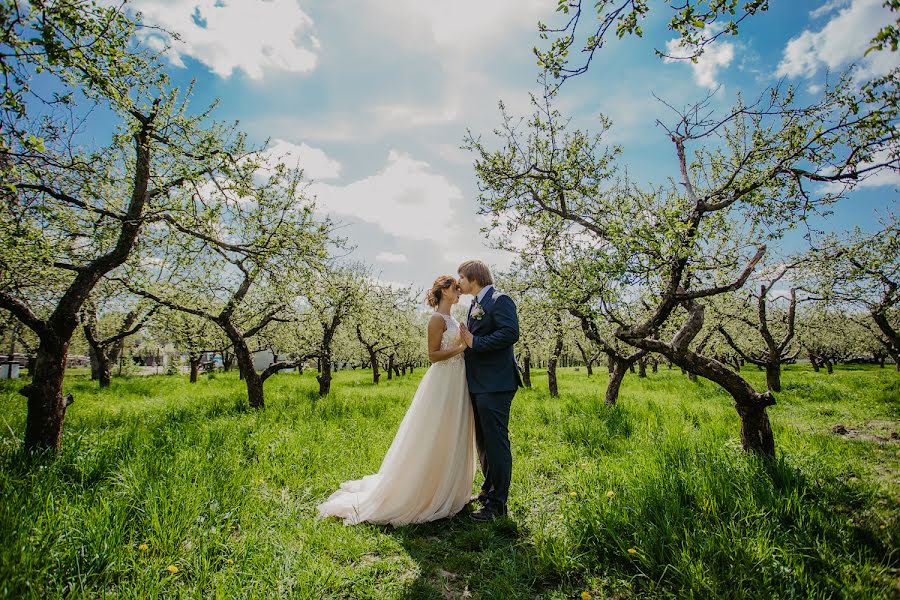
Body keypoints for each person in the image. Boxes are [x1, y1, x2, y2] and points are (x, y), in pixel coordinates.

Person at [317, 275, 475, 526]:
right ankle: (422, 490)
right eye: (456, 288)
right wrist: (462, 348)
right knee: (434, 431)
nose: (459, 292)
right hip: (443, 380)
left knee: (450, 431)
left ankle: (447, 486)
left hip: (457, 381)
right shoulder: (436, 319)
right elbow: (433, 355)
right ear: (444, 291)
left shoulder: (453, 319)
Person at [457, 260, 521, 521]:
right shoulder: (475, 304)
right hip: (479, 383)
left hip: (496, 384)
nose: (458, 282)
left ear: (473, 277)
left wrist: (476, 342)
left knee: (495, 442)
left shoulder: (500, 299)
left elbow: (510, 333)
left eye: (461, 277)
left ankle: (498, 504)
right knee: (483, 442)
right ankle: (488, 492)